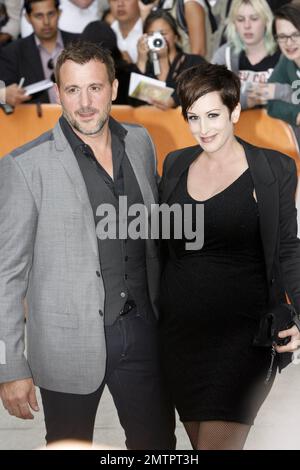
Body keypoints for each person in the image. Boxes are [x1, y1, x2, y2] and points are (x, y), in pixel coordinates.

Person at [0, 41, 175, 449]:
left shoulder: (141, 141)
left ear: (114, 88)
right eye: (73, 90)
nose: (84, 103)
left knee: (158, 449)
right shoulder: (25, 166)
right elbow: (5, 277)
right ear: (57, 92)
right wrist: (8, 366)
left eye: (95, 88)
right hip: (67, 343)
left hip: (143, 333)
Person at [159, 62, 300, 450]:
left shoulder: (273, 169)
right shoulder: (175, 166)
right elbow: (162, 248)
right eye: (193, 117)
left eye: (213, 115)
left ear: (235, 111)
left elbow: (288, 247)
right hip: (181, 341)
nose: (203, 128)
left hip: (243, 341)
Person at [0, 0, 78, 105]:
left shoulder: (80, 43)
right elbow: (4, 95)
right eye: (39, 16)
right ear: (28, 18)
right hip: (35, 120)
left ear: (59, 13)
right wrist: (3, 95)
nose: (46, 22)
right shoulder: (12, 53)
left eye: (51, 14)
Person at [212, 0, 280, 110]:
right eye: (240, 19)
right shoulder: (225, 55)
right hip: (241, 126)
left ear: (267, 21)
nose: (247, 25)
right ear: (234, 24)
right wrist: (246, 101)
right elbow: (211, 98)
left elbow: (295, 96)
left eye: (254, 19)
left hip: (279, 125)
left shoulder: (284, 53)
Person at [133, 9, 206, 110]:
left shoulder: (194, 62)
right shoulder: (147, 69)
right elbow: (134, 103)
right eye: (151, 34)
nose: (158, 38)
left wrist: (175, 100)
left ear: (176, 36)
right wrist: (141, 60)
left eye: (163, 34)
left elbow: (203, 90)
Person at [267, 3, 300, 143]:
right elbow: (270, 101)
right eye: (282, 36)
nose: (288, 43)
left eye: (295, 35)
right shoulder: (286, 62)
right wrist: (297, 114)